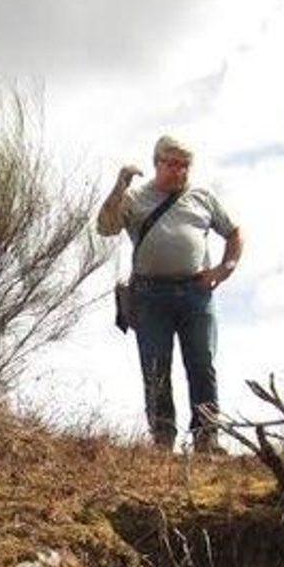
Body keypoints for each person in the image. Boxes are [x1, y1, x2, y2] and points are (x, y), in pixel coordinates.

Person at [98, 135, 244, 452]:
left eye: (185, 165)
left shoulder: (202, 196)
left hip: (196, 293)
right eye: (172, 164)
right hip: (149, 295)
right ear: (157, 163)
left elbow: (233, 232)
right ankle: (162, 440)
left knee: (202, 362)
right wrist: (120, 185)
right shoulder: (135, 196)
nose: (179, 171)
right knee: (155, 366)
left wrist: (224, 268)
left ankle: (207, 437)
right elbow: (106, 227)